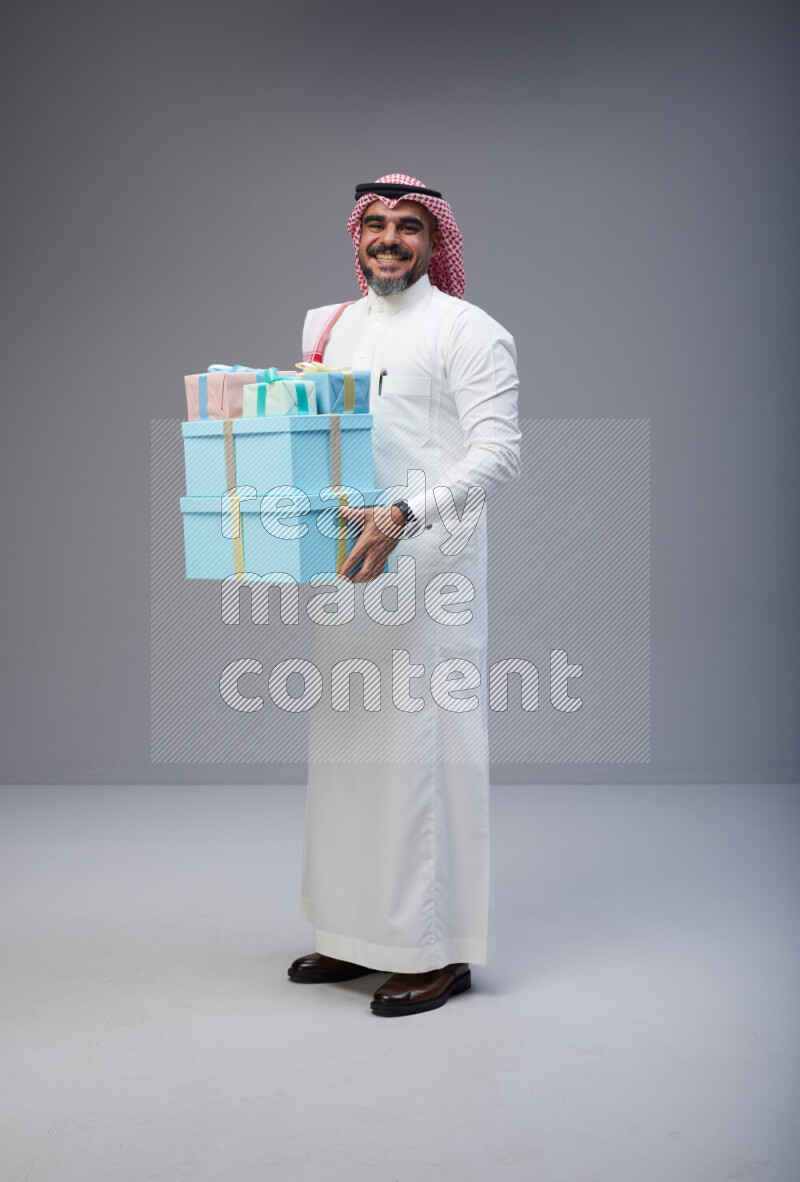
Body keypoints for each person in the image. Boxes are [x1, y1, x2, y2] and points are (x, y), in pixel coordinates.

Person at [288, 174, 521, 1016]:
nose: (388, 239)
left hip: (430, 573)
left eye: (409, 227)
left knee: (424, 758)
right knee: (349, 752)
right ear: (356, 235)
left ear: (435, 241)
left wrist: (403, 516)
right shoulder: (328, 326)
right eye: (375, 224)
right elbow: (311, 431)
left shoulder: (469, 330)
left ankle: (437, 951)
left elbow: (498, 455)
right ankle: (356, 936)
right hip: (347, 566)